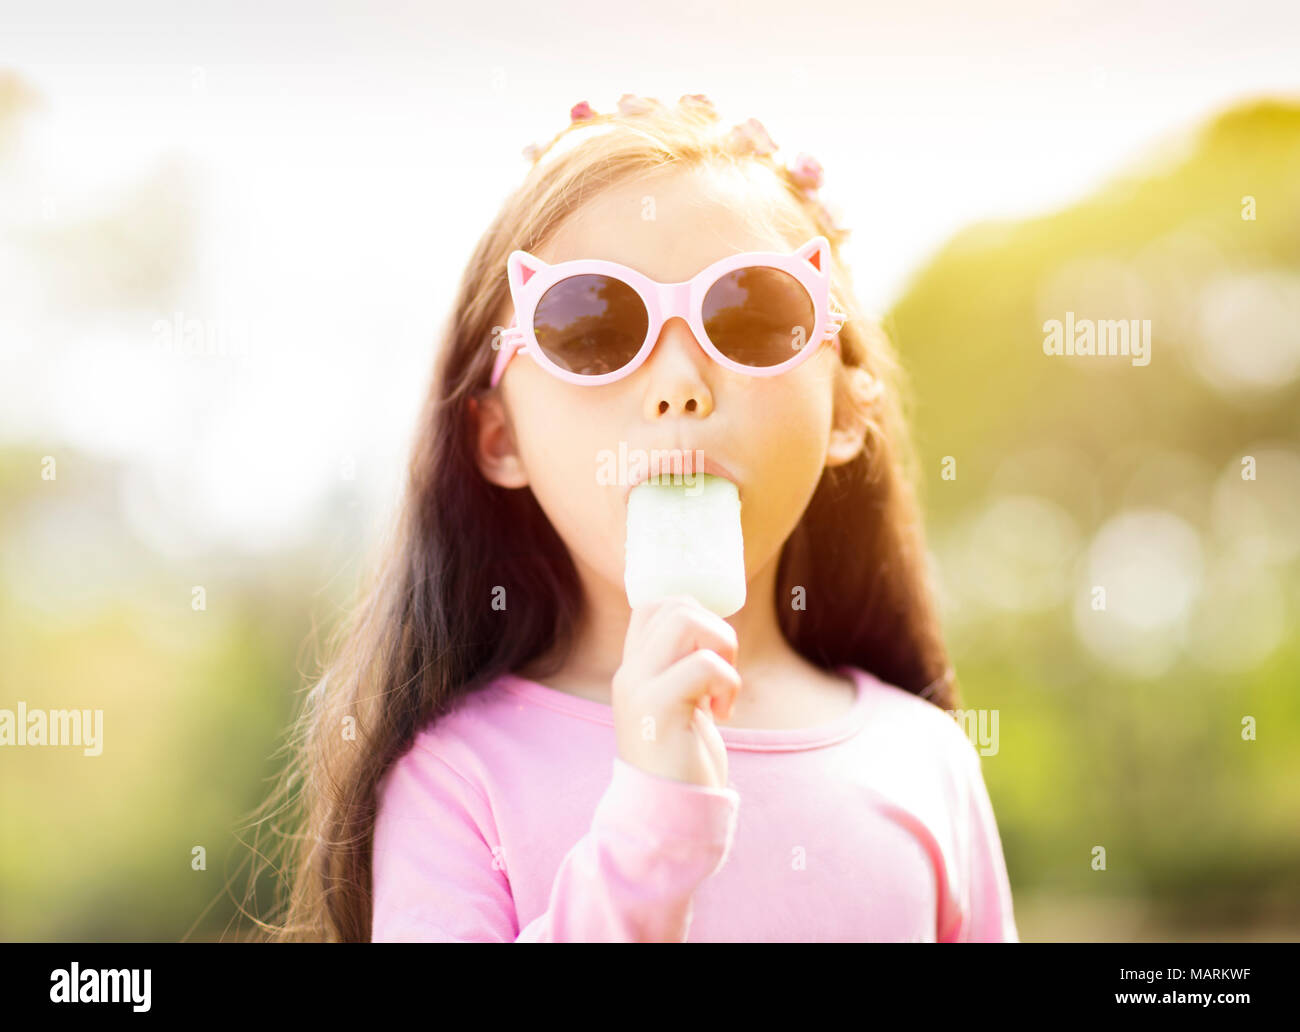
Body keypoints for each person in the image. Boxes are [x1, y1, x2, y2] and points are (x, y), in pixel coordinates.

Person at [258, 93, 1019, 942]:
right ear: (499, 436)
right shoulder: (455, 780)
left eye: (756, 314)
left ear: (846, 407)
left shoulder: (926, 759)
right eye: (591, 326)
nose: (679, 382)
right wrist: (652, 830)